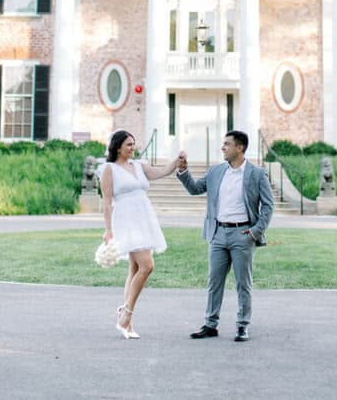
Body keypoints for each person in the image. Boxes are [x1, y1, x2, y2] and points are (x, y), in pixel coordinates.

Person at [176, 130, 274, 342]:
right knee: (214, 282)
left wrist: (256, 231)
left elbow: (268, 205)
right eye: (223, 144)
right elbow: (195, 189)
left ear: (240, 148)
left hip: (243, 234)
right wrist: (184, 172)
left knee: (243, 283)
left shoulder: (256, 174)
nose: (223, 148)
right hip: (218, 233)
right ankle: (211, 325)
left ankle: (242, 325)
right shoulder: (216, 171)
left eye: (227, 144)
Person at [99, 129, 179, 339]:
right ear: (117, 147)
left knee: (135, 268)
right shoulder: (109, 169)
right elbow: (106, 202)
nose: (133, 148)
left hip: (144, 217)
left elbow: (161, 172)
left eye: (134, 144)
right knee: (147, 265)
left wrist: (176, 160)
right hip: (126, 220)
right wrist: (108, 230)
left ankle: (127, 321)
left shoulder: (139, 165)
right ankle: (126, 313)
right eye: (128, 144)